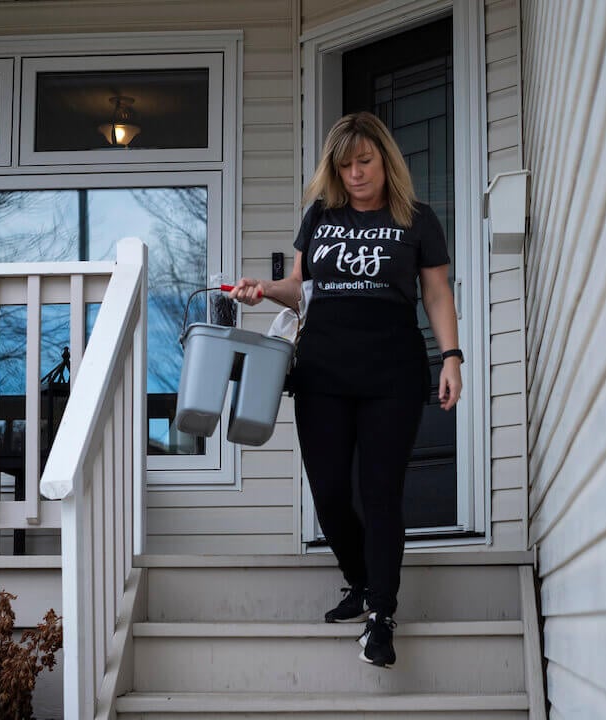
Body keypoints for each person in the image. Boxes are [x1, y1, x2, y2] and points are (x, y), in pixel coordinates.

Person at [229, 112, 462, 668]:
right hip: (323, 372)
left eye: (365, 161)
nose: (355, 174)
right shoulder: (321, 217)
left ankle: (381, 615)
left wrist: (451, 357)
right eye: (345, 164)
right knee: (330, 490)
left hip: (393, 372)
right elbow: (303, 289)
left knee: (380, 492)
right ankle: (359, 581)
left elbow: (436, 294)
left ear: (385, 160)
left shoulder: (417, 219)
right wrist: (265, 289)